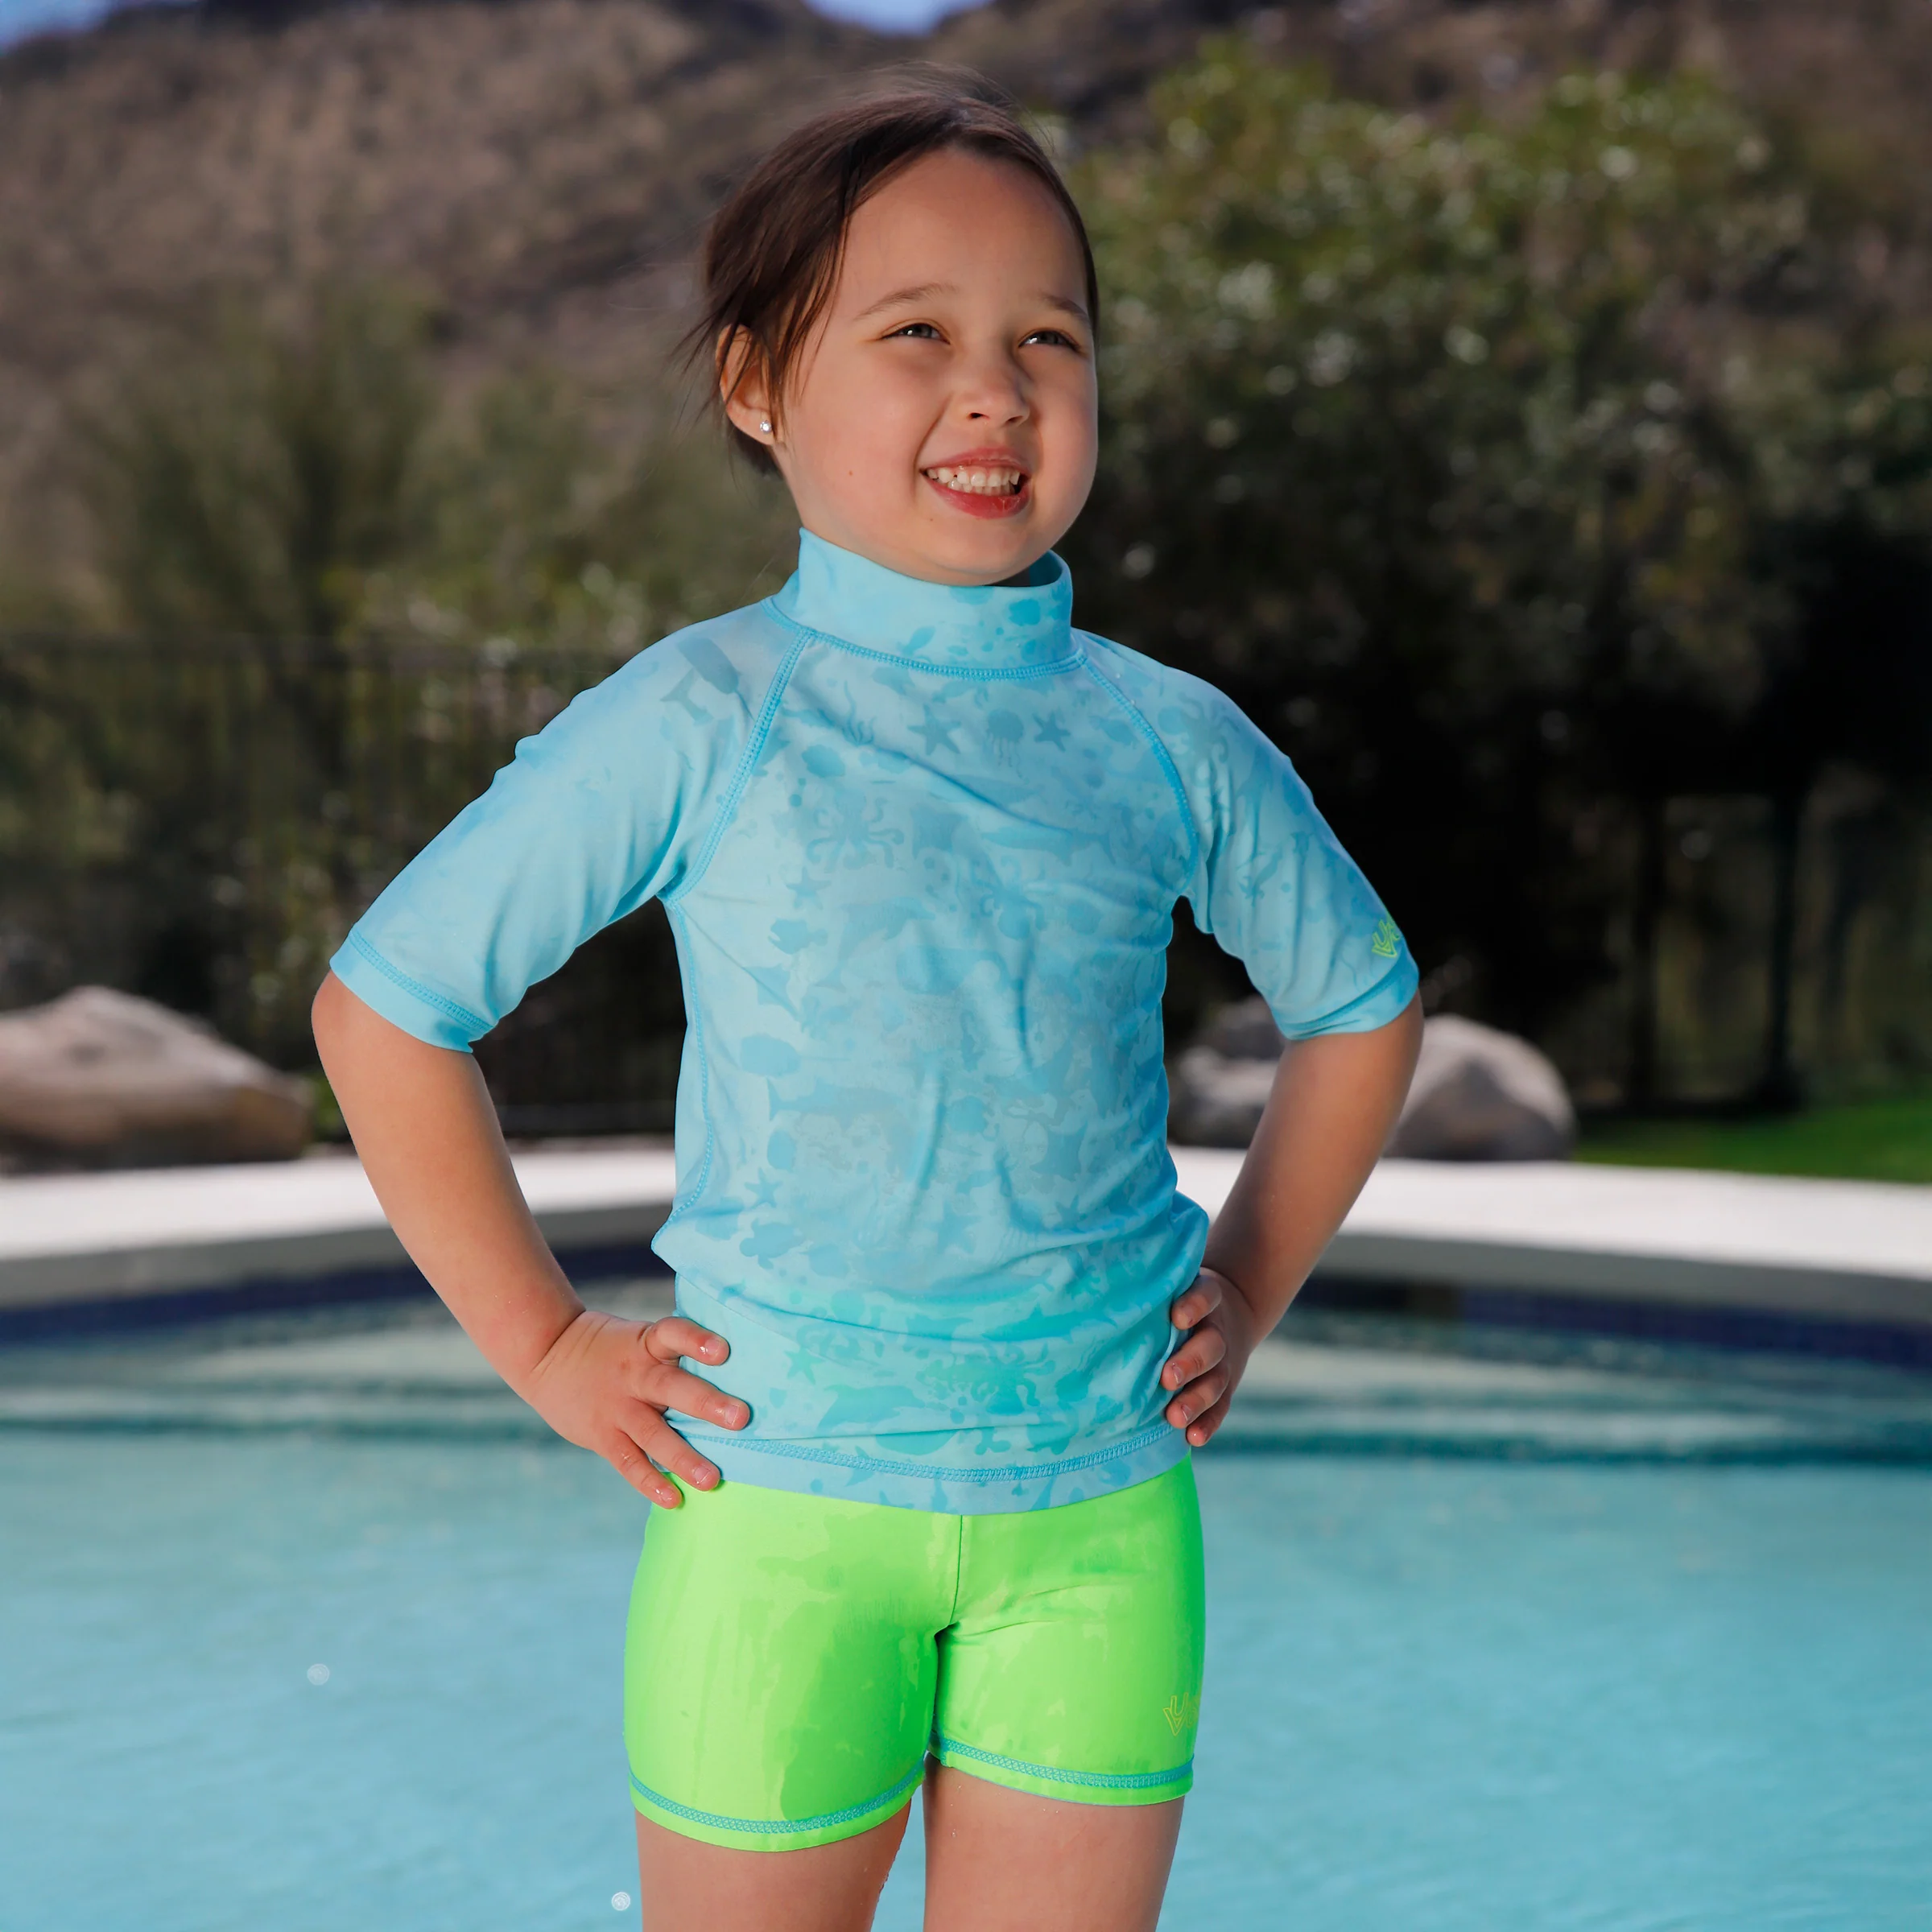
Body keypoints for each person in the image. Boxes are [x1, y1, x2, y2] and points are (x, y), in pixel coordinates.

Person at [312, 81, 1422, 1932]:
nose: (996, 394)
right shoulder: (701, 716)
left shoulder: (1169, 739)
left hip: (1099, 1530)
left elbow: (1363, 1010)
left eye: (1047, 340)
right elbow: (387, 1011)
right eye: (917, 334)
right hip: (778, 1525)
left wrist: (1248, 1284)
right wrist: (550, 1349)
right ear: (758, 384)